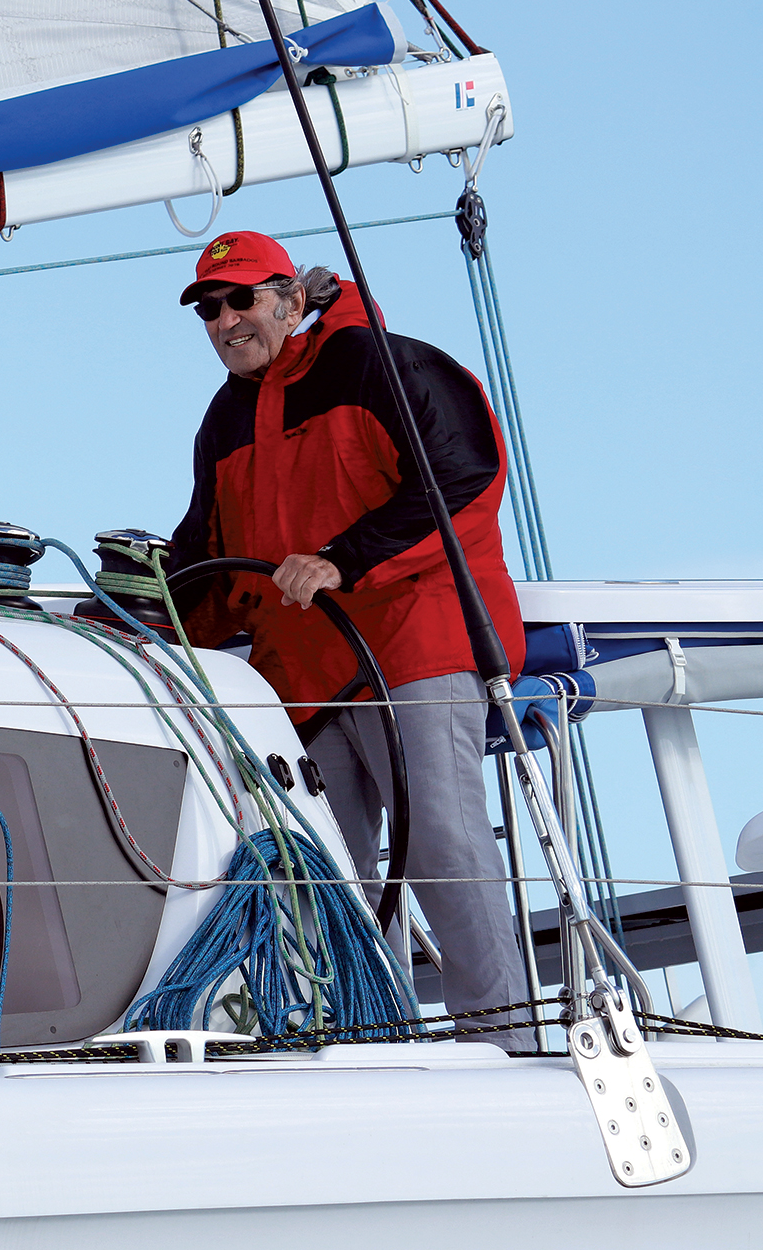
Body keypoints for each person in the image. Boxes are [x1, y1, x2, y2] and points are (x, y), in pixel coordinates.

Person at [166, 229, 532, 1049]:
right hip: (304, 680)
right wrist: (140, 616)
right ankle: (371, 1050)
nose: (225, 320)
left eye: (241, 299)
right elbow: (210, 560)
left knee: (441, 846)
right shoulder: (224, 421)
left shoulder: (379, 364)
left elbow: (464, 479)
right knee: (328, 880)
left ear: (292, 300)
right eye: (209, 309)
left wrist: (343, 559)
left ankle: (508, 1043)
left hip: (412, 648)